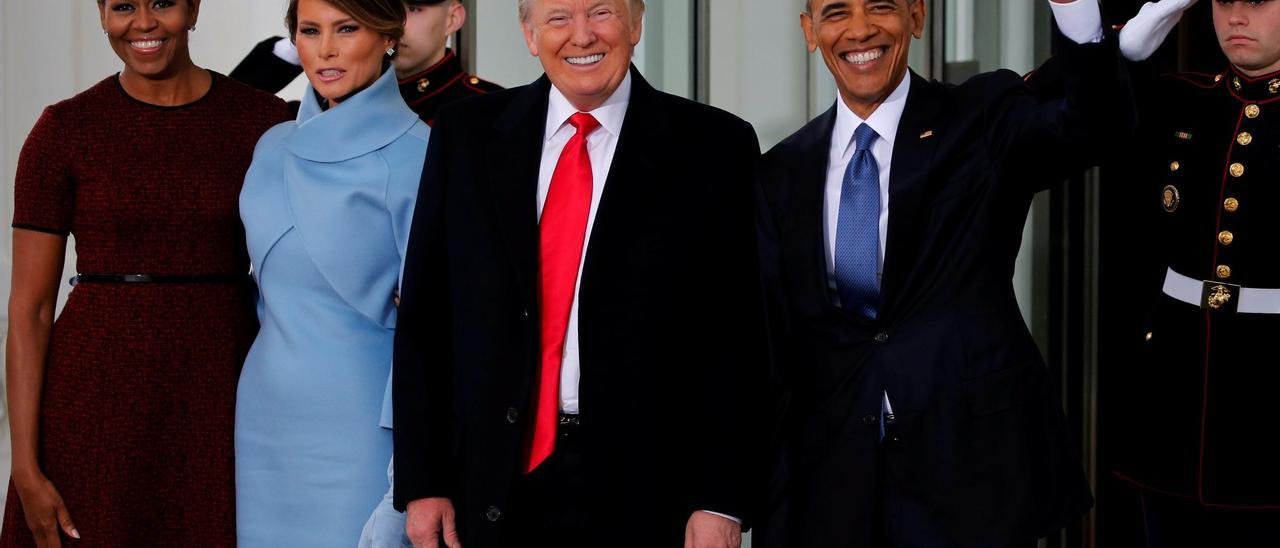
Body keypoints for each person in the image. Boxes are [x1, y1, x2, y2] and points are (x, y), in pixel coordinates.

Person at [391, 0, 769, 546]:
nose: (582, 35)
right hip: (494, 477)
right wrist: (424, 482)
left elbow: (737, 339)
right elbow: (427, 319)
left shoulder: (713, 145)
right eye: (558, 18)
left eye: (601, 12)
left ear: (637, 24)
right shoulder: (466, 134)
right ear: (529, 33)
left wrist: (721, 500)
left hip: (651, 487)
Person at [754, 0, 1130, 546]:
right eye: (836, 12)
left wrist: (1076, 15)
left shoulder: (981, 116)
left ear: (917, 16)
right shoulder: (780, 170)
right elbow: (767, 348)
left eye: (880, 6)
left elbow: (1095, 129)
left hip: (970, 474)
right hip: (833, 484)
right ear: (810, 31)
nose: (860, 29)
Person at [1, 0, 290, 546]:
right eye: (123, 7)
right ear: (101, 14)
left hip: (221, 389)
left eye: (163, 3)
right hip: (93, 397)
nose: (143, 23)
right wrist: (24, 467)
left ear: (194, 8)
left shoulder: (264, 122)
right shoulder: (63, 129)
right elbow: (31, 309)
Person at [233, 0, 428, 546]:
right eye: (310, 31)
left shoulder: (420, 154)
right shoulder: (270, 147)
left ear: (388, 35)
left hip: (364, 423)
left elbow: (435, 329)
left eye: (348, 29)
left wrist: (410, 474)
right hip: (265, 419)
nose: (327, 48)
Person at [1101, 0, 1280, 545]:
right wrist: (1142, 30)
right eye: (1224, 2)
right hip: (1174, 392)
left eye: (1258, 2)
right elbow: (1092, 96)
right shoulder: (1180, 96)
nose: (1236, 19)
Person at [230, 0, 500, 124]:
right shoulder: (327, 101)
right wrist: (302, 42)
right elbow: (228, 113)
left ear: (453, 19)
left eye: (414, 8)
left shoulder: (486, 106)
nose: (397, 22)